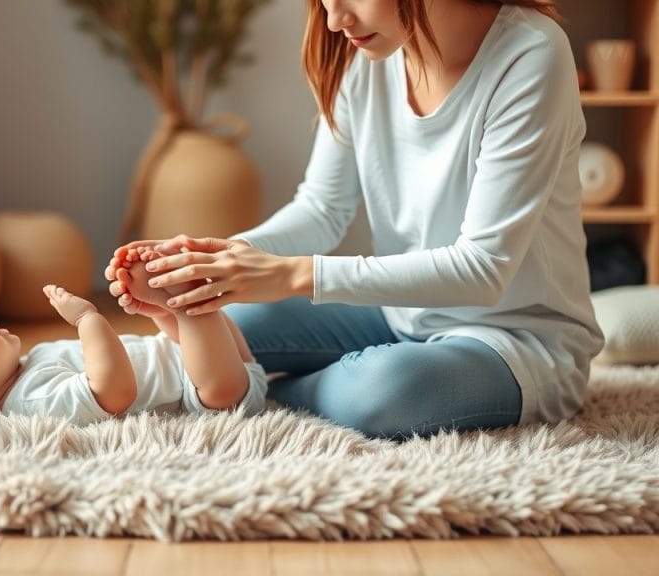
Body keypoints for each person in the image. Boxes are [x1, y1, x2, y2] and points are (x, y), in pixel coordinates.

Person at [106, 0, 604, 439]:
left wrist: (291, 274)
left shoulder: (530, 53)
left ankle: (277, 388)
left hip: (517, 343)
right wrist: (216, 260)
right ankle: (240, 376)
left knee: (382, 391)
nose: (335, 18)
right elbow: (322, 209)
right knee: (227, 318)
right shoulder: (369, 56)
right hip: (397, 313)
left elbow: (483, 269)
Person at [0, 248, 267, 423]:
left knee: (185, 314)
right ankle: (179, 297)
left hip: (198, 363)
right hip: (213, 397)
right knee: (194, 309)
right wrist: (88, 319)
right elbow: (114, 391)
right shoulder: (32, 402)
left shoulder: (27, 369)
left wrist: (157, 316)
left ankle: (168, 302)